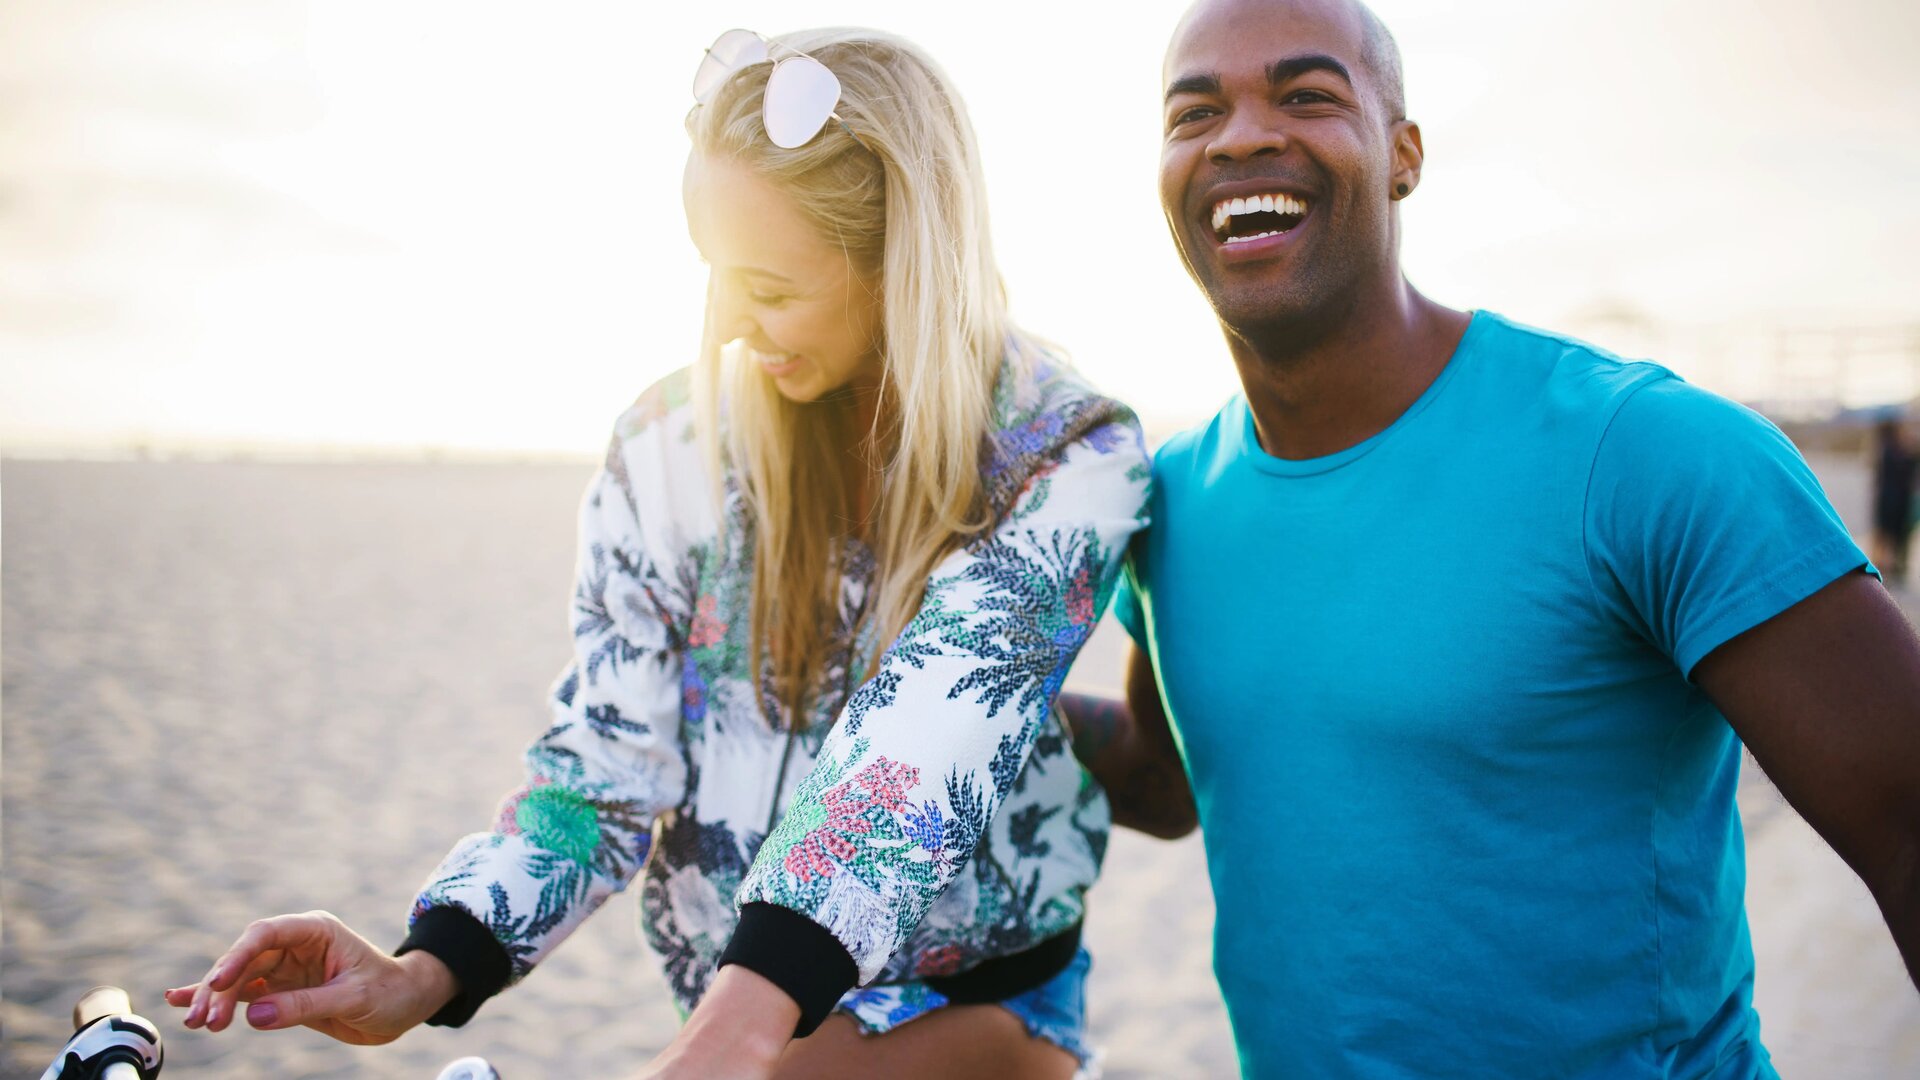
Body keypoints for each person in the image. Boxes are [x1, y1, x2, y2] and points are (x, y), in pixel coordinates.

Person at [165, 27, 1148, 1079]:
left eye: (769, 287)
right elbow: (603, 767)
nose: (727, 324)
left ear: (898, 264)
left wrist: (738, 1030)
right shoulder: (667, 448)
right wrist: (429, 967)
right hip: (753, 1027)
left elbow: (924, 744)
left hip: (973, 1015)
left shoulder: (1071, 456)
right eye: (713, 276)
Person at [1059, 0, 1920, 1076]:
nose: (1238, 137)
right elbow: (1167, 779)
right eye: (1195, 113)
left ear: (1404, 153)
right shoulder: (1172, 499)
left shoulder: (1641, 452)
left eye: (1306, 94)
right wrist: (917, 707)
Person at [1870, 416, 1916, 583]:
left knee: (1886, 533)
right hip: (1896, 499)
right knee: (1894, 533)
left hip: (1888, 497)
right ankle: (1890, 565)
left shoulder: (1882, 449)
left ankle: (1886, 565)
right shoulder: (1894, 450)